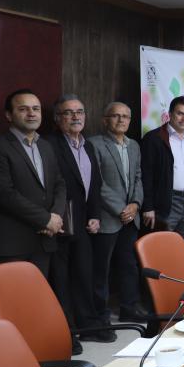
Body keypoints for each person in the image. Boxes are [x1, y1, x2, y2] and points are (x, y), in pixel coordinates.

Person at [0, 89, 66, 275]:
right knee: (9, 294)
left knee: (37, 293)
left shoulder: (46, 146)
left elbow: (59, 183)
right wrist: (45, 219)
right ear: (8, 115)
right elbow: (3, 193)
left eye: (36, 109)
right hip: (9, 244)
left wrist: (55, 216)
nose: (31, 113)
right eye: (23, 109)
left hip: (44, 241)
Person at [46, 95, 105, 344]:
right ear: (57, 118)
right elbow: (49, 186)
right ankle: (67, 333)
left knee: (83, 275)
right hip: (60, 221)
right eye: (68, 113)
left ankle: (88, 325)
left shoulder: (87, 145)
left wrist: (95, 215)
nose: (75, 117)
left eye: (79, 112)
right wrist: (55, 215)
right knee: (61, 279)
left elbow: (94, 184)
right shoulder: (49, 145)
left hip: (83, 221)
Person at [89, 102, 147, 324]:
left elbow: (138, 177)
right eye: (116, 116)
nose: (121, 120)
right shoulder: (94, 144)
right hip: (108, 217)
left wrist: (135, 204)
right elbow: (96, 182)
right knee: (101, 269)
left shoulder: (134, 146)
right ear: (105, 120)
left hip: (131, 216)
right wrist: (121, 209)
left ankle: (128, 309)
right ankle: (100, 315)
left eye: (126, 116)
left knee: (129, 265)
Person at [141, 95, 184, 258]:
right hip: (165, 203)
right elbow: (146, 175)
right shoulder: (154, 138)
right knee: (161, 252)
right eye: (180, 113)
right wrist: (148, 207)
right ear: (170, 114)